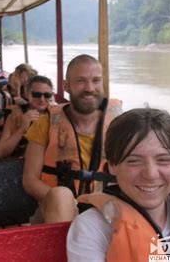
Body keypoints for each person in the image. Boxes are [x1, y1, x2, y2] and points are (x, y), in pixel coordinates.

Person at [23, 54, 123, 224]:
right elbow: (30, 180)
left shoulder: (121, 125)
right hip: (56, 211)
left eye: (96, 80)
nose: (89, 88)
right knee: (61, 196)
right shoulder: (45, 123)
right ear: (66, 85)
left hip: (106, 209)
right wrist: (69, 204)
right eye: (81, 81)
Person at [67, 108, 170, 262]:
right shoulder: (92, 228)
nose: (151, 174)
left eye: (163, 160)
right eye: (134, 161)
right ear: (112, 166)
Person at [0, 75, 54, 159]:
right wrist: (22, 128)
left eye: (47, 95)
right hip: (20, 165)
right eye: (36, 94)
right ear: (27, 94)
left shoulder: (56, 115)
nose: (42, 99)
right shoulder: (16, 116)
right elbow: (1, 152)